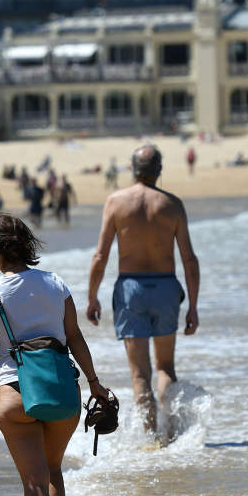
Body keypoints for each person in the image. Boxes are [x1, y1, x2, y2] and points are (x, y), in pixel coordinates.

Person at [0, 213, 109, 496]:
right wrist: (94, 382)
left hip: (15, 391)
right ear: (27, 245)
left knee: (33, 481)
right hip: (62, 388)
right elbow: (74, 337)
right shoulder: (55, 283)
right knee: (53, 471)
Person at [87, 145, 199, 443]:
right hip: (165, 288)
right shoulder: (172, 204)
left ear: (133, 169)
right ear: (159, 170)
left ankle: (150, 440)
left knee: (140, 375)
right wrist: (194, 307)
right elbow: (189, 259)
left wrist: (92, 297)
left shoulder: (116, 201)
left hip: (131, 289)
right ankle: (172, 435)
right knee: (165, 368)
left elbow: (100, 256)